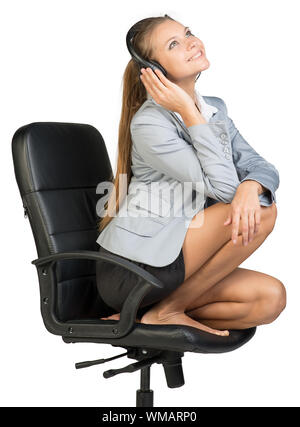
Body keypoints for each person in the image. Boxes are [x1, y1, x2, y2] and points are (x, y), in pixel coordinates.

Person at [96, 15, 286, 336]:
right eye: (174, 44)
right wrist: (187, 111)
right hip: (135, 268)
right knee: (263, 212)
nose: (191, 42)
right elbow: (224, 190)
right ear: (155, 70)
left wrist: (251, 184)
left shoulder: (214, 109)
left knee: (270, 299)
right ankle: (168, 311)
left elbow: (261, 166)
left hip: (179, 256)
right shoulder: (150, 125)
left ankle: (157, 314)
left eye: (188, 34)